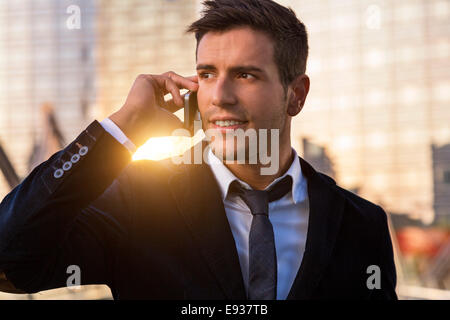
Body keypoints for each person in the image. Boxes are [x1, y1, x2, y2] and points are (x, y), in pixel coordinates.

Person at [0, 0, 397, 299]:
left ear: (296, 94)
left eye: (245, 75)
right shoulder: (138, 201)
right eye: (207, 74)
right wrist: (124, 124)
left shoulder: (362, 225)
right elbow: (8, 260)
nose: (219, 97)